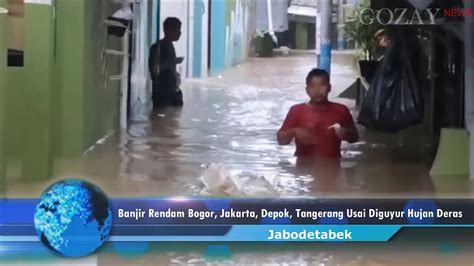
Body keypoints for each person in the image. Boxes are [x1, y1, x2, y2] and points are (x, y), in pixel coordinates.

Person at [277, 68, 359, 158]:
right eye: (312, 86)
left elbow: (355, 137)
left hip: (332, 165)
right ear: (307, 90)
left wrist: (346, 134)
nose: (317, 90)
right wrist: (294, 131)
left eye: (322, 85)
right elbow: (281, 141)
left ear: (329, 88)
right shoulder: (296, 111)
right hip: (304, 167)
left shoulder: (341, 110)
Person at [149, 17, 184, 108]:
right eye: (177, 29)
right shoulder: (157, 48)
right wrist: (173, 62)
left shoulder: (170, 46)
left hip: (173, 93)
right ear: (168, 30)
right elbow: (155, 69)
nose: (180, 33)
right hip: (163, 96)